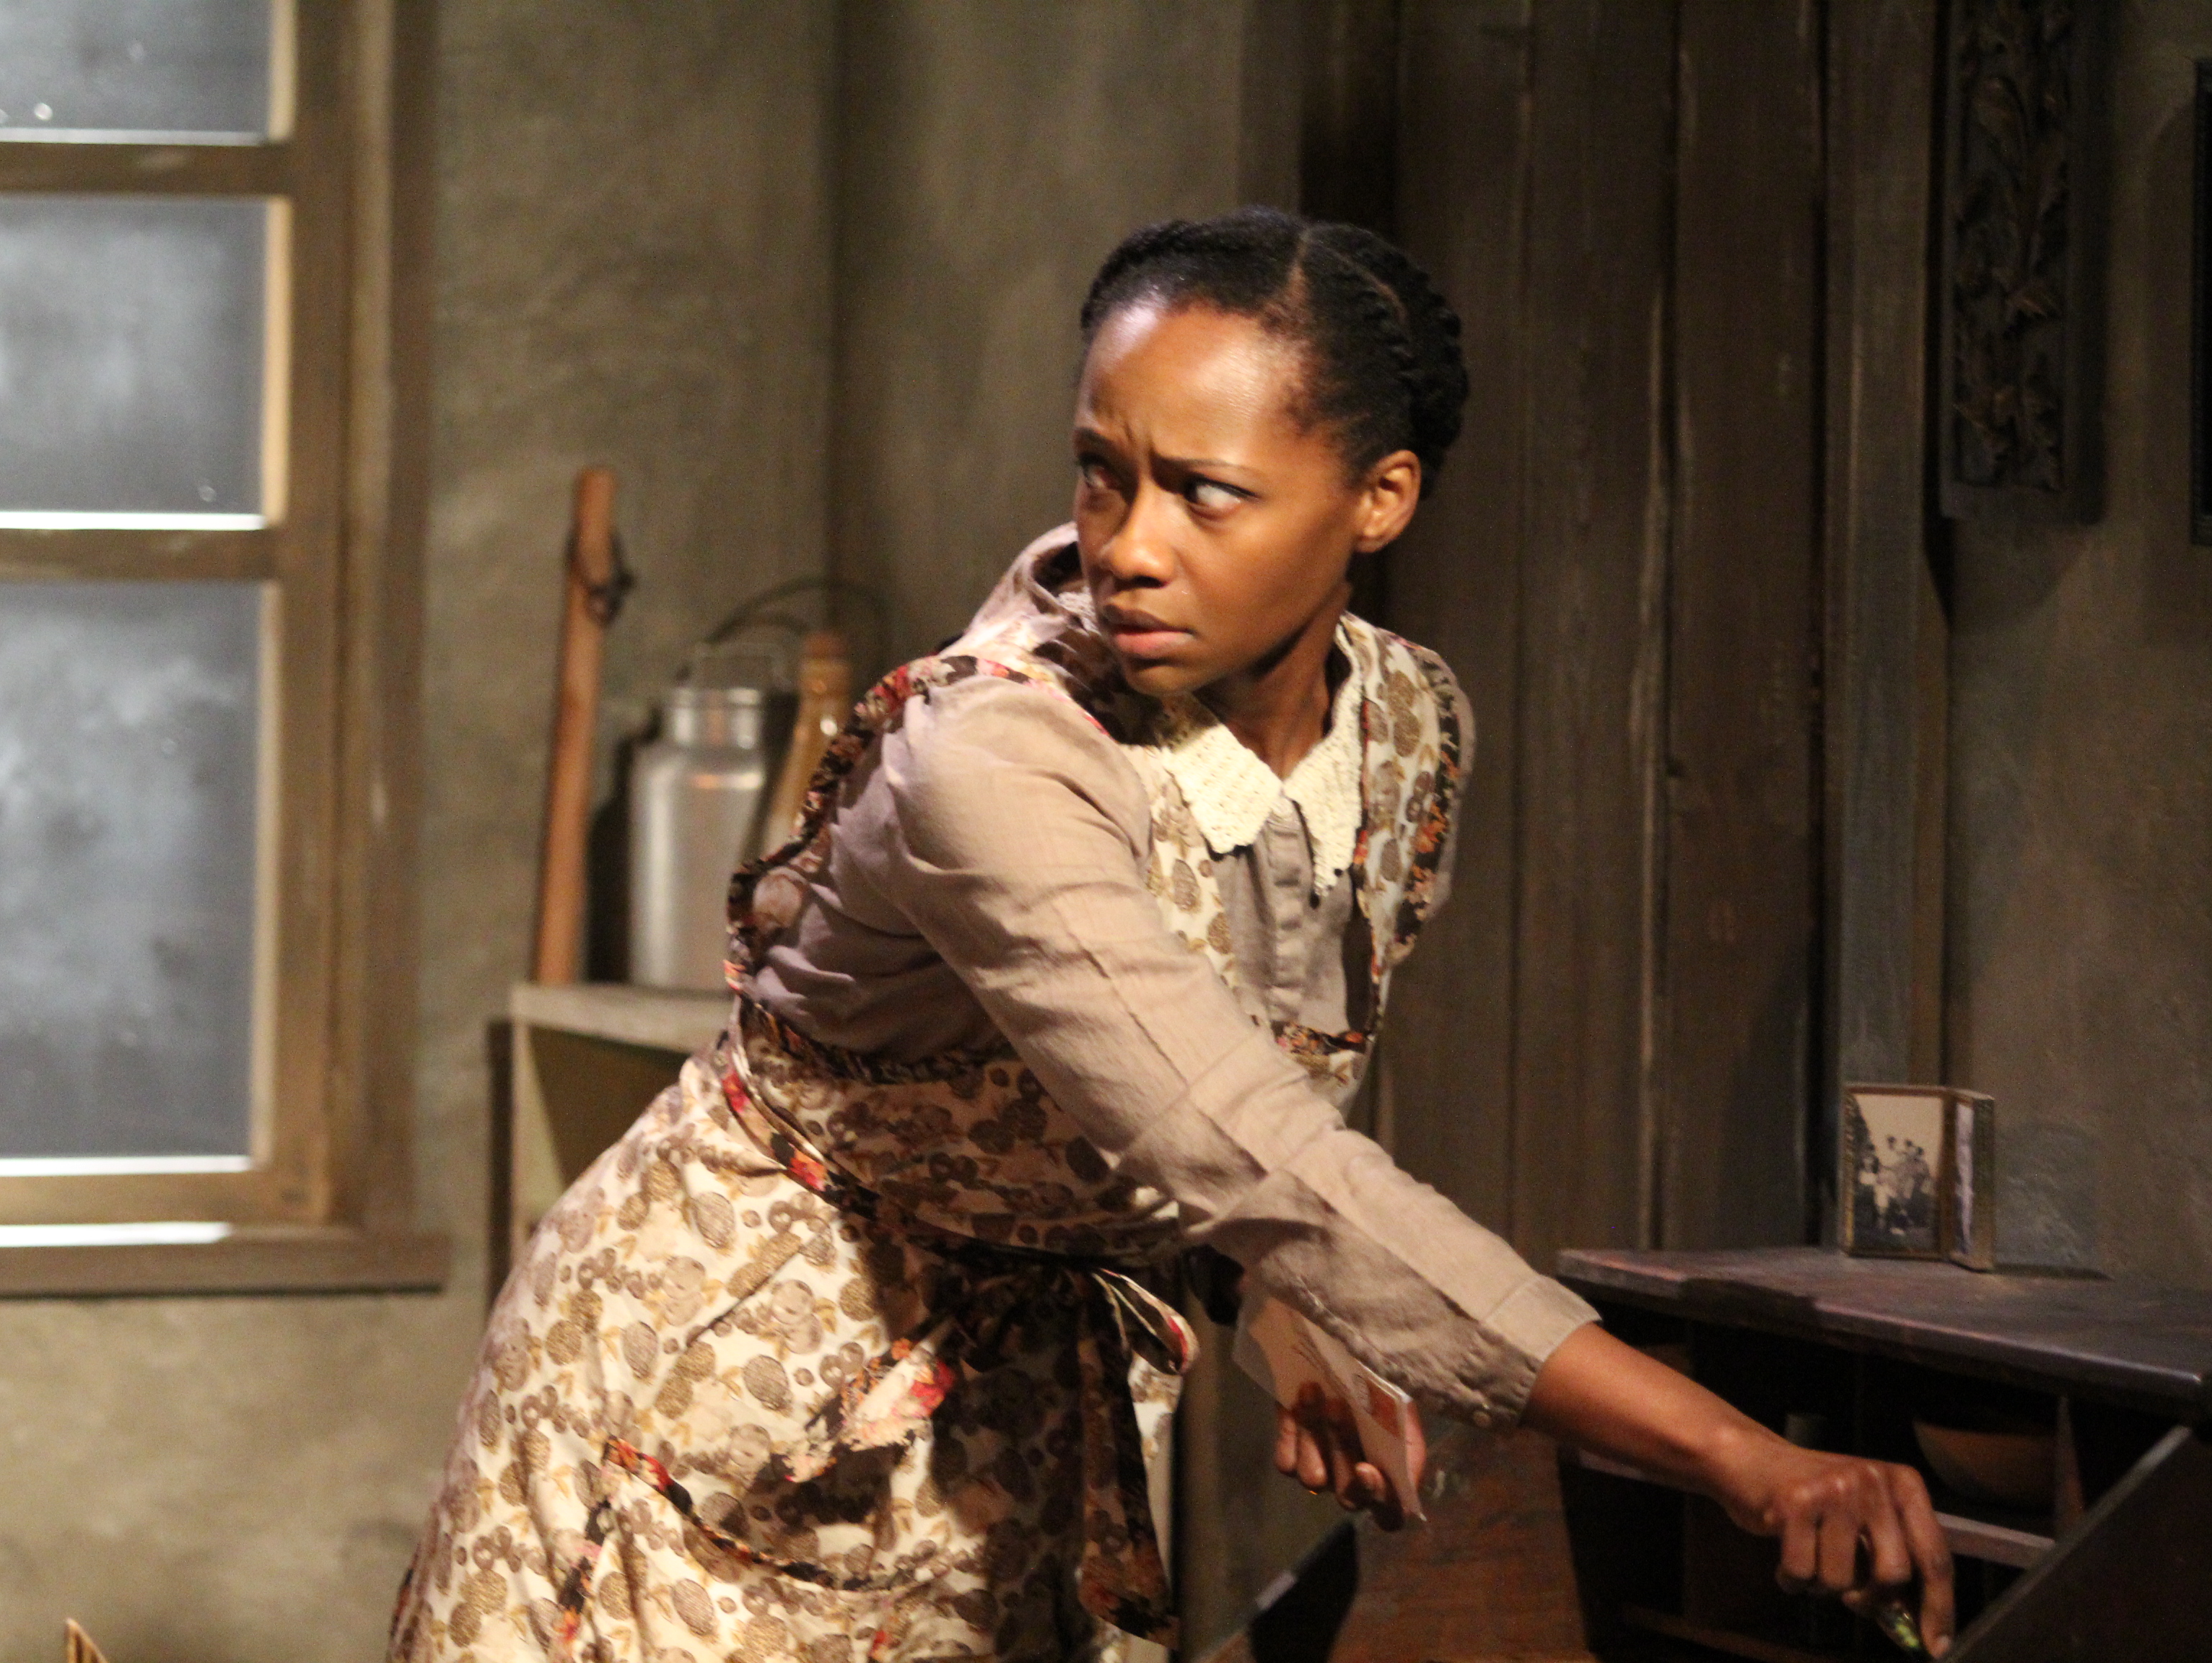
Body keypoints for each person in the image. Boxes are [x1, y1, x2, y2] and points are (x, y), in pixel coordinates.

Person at [391, 209, 1955, 1663]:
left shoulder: (1405, 730)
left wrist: (1279, 1303)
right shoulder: (996, 757)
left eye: (1205, 492)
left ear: (1381, 499)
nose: (1131, 543)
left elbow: (1229, 1093)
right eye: (1102, 474)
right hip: (711, 1402)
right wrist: (1734, 1453)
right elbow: (1244, 1144)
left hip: (1002, 1431)